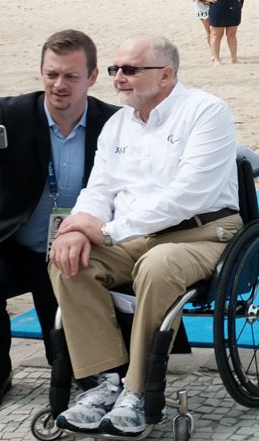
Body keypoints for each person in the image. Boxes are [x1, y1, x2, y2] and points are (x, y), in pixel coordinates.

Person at [49, 34, 242, 435]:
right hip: (134, 235)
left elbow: (190, 194)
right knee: (69, 260)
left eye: (130, 70)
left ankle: (138, 391)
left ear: (166, 75)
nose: (118, 77)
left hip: (204, 232)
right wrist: (76, 227)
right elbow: (99, 189)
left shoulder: (205, 111)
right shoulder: (118, 124)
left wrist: (108, 230)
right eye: (116, 69)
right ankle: (104, 383)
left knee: (157, 263)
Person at [0, 30, 119, 412]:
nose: (59, 85)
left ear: (93, 77)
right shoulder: (11, 113)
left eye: (70, 76)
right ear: (41, 72)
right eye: (51, 75)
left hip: (71, 251)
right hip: (9, 242)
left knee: (64, 359)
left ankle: (73, 367)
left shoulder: (112, 124)